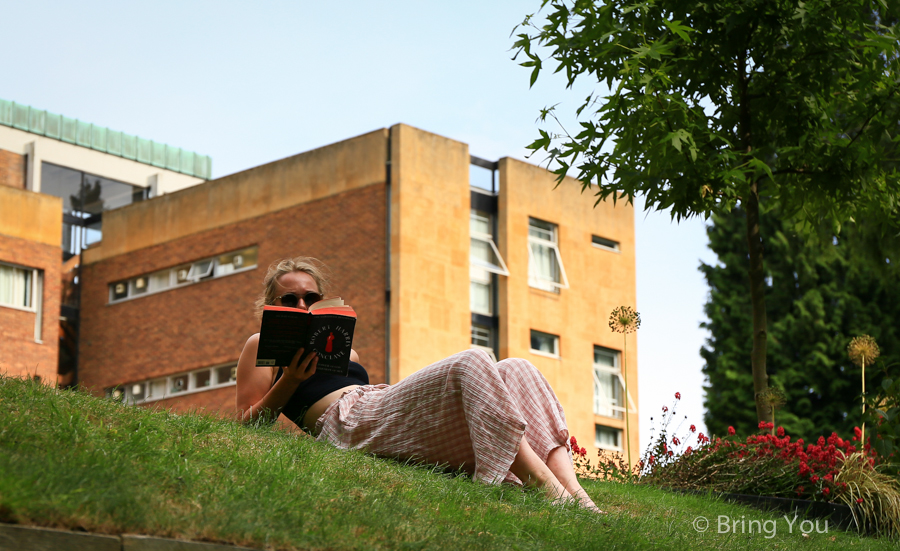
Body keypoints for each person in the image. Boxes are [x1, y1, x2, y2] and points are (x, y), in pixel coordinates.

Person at [236, 257, 601, 512]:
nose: (302, 303)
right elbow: (247, 424)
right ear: (272, 305)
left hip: (378, 404)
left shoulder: (352, 356)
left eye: (311, 298)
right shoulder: (259, 344)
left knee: (518, 367)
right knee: (471, 360)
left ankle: (581, 499)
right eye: (290, 299)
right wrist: (291, 381)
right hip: (344, 424)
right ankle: (549, 491)